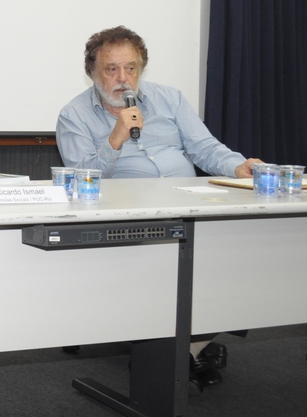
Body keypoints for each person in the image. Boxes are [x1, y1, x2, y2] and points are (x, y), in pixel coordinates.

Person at [56, 25, 262, 391]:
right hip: (128, 219)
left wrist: (238, 166)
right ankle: (176, 351)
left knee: (242, 258)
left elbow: (204, 148)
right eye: (111, 69)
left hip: (189, 205)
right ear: (92, 71)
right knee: (171, 266)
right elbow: (81, 181)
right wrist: (115, 139)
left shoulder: (170, 99)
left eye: (131, 68)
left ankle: (186, 349)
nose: (123, 79)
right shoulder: (74, 115)